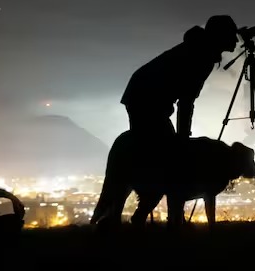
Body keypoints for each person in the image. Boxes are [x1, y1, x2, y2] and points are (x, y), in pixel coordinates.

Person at [90, 14, 239, 231]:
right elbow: (187, 101)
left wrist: (181, 138)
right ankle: (154, 221)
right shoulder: (202, 56)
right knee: (166, 161)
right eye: (231, 35)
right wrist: (183, 138)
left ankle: (134, 217)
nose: (236, 41)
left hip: (145, 97)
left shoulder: (200, 49)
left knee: (163, 157)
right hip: (145, 100)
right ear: (220, 36)